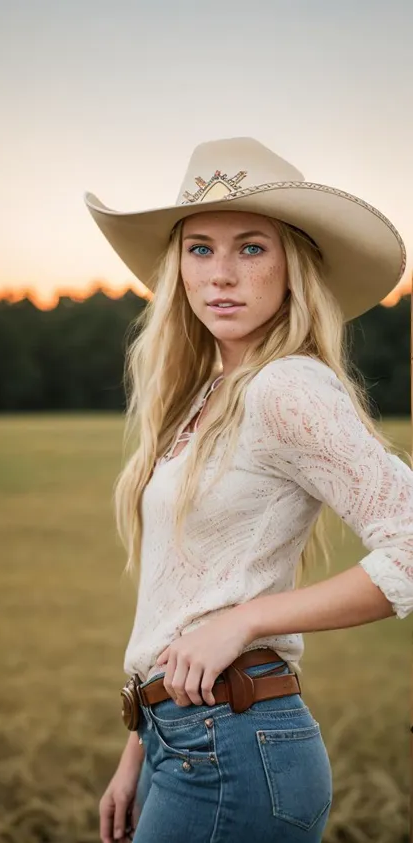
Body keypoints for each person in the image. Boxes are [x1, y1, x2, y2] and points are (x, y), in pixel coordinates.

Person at [84, 137, 413, 843]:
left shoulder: (285, 386)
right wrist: (136, 748)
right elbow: (179, 602)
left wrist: (248, 618)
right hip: (183, 739)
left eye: (251, 248)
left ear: (294, 264)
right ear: (177, 266)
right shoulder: (209, 395)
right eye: (199, 249)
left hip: (231, 749)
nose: (221, 274)